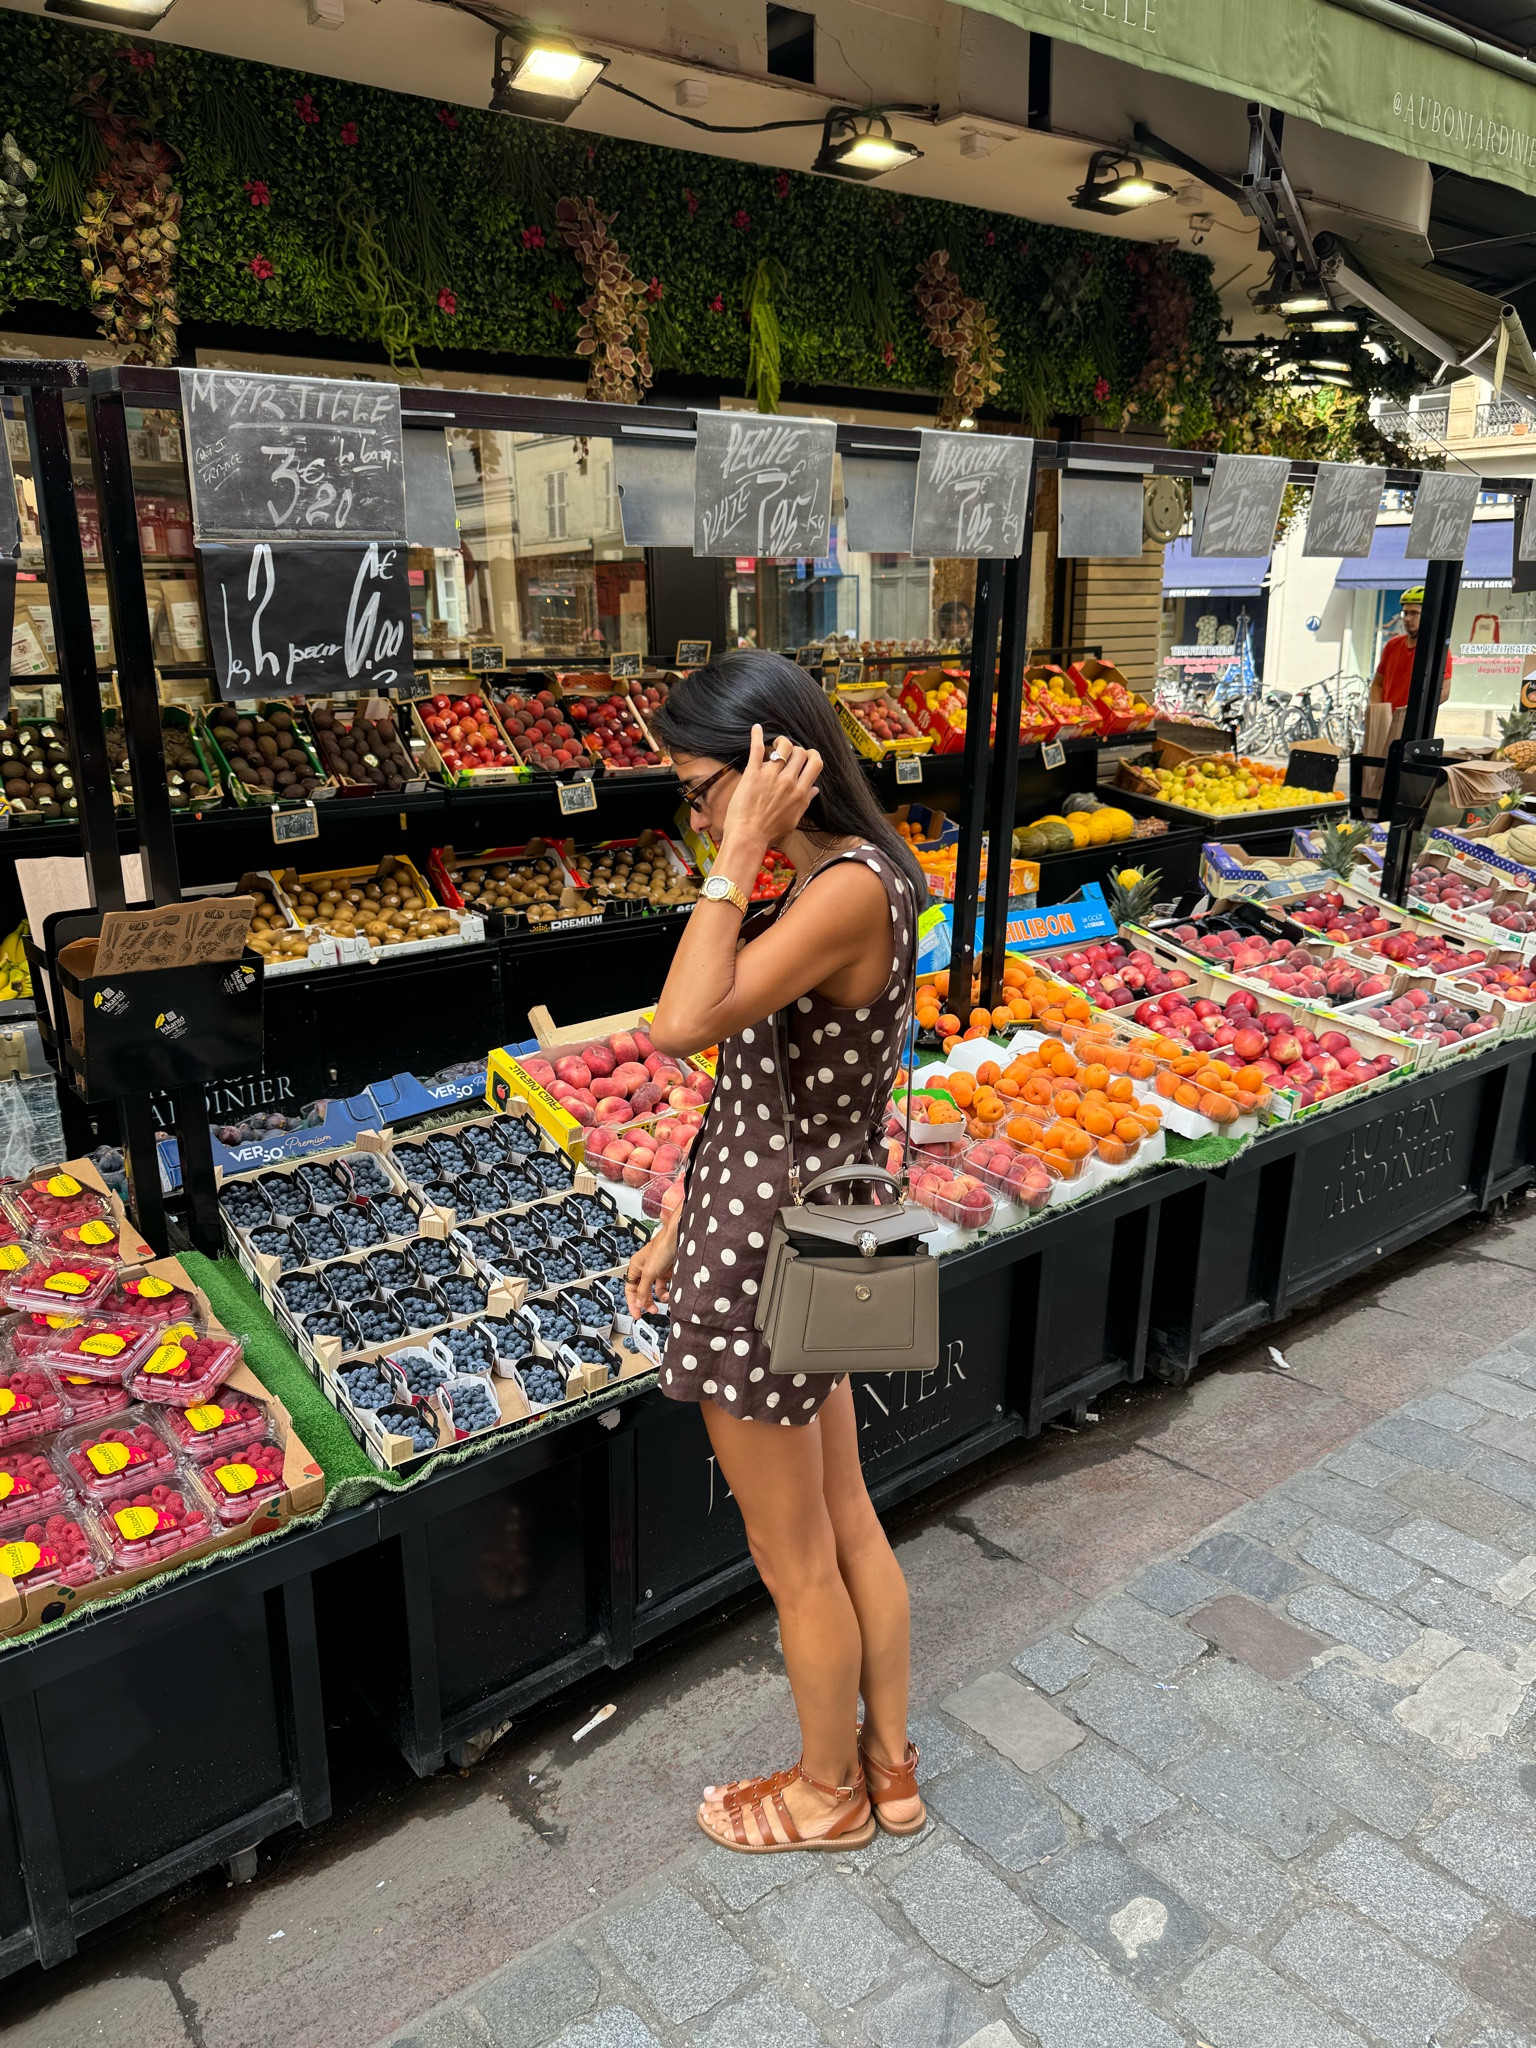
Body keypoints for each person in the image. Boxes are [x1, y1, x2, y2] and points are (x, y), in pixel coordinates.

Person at [628, 649, 929, 1856]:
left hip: (767, 1257)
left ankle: (827, 1791)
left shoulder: (838, 887)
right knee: (845, 1513)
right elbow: (766, 1089)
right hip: (823, 1226)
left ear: (776, 768)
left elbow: (678, 1025)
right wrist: (672, 1217)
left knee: (795, 1549)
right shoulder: (861, 876)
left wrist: (736, 849)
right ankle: (888, 1770)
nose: (697, 814)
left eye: (705, 788)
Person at [1370, 587, 1452, 710]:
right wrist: (1378, 710)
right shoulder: (1392, 645)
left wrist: (1416, 712)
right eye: (1405, 613)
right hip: (1387, 719)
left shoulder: (1437, 650)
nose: (1408, 619)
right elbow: (1377, 684)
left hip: (1413, 721)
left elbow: (1443, 691)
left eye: (1414, 613)